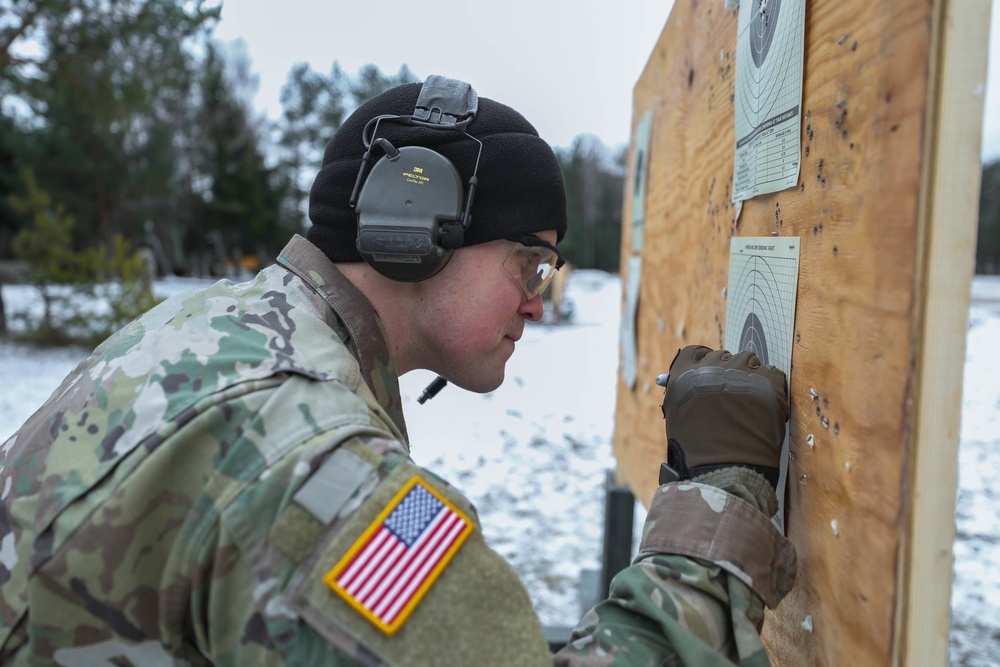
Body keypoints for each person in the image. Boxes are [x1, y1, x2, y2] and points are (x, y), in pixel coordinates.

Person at [0, 76, 796, 666]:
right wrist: (714, 510)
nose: (536, 300)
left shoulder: (207, 330)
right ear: (413, 224)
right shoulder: (311, 467)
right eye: (529, 262)